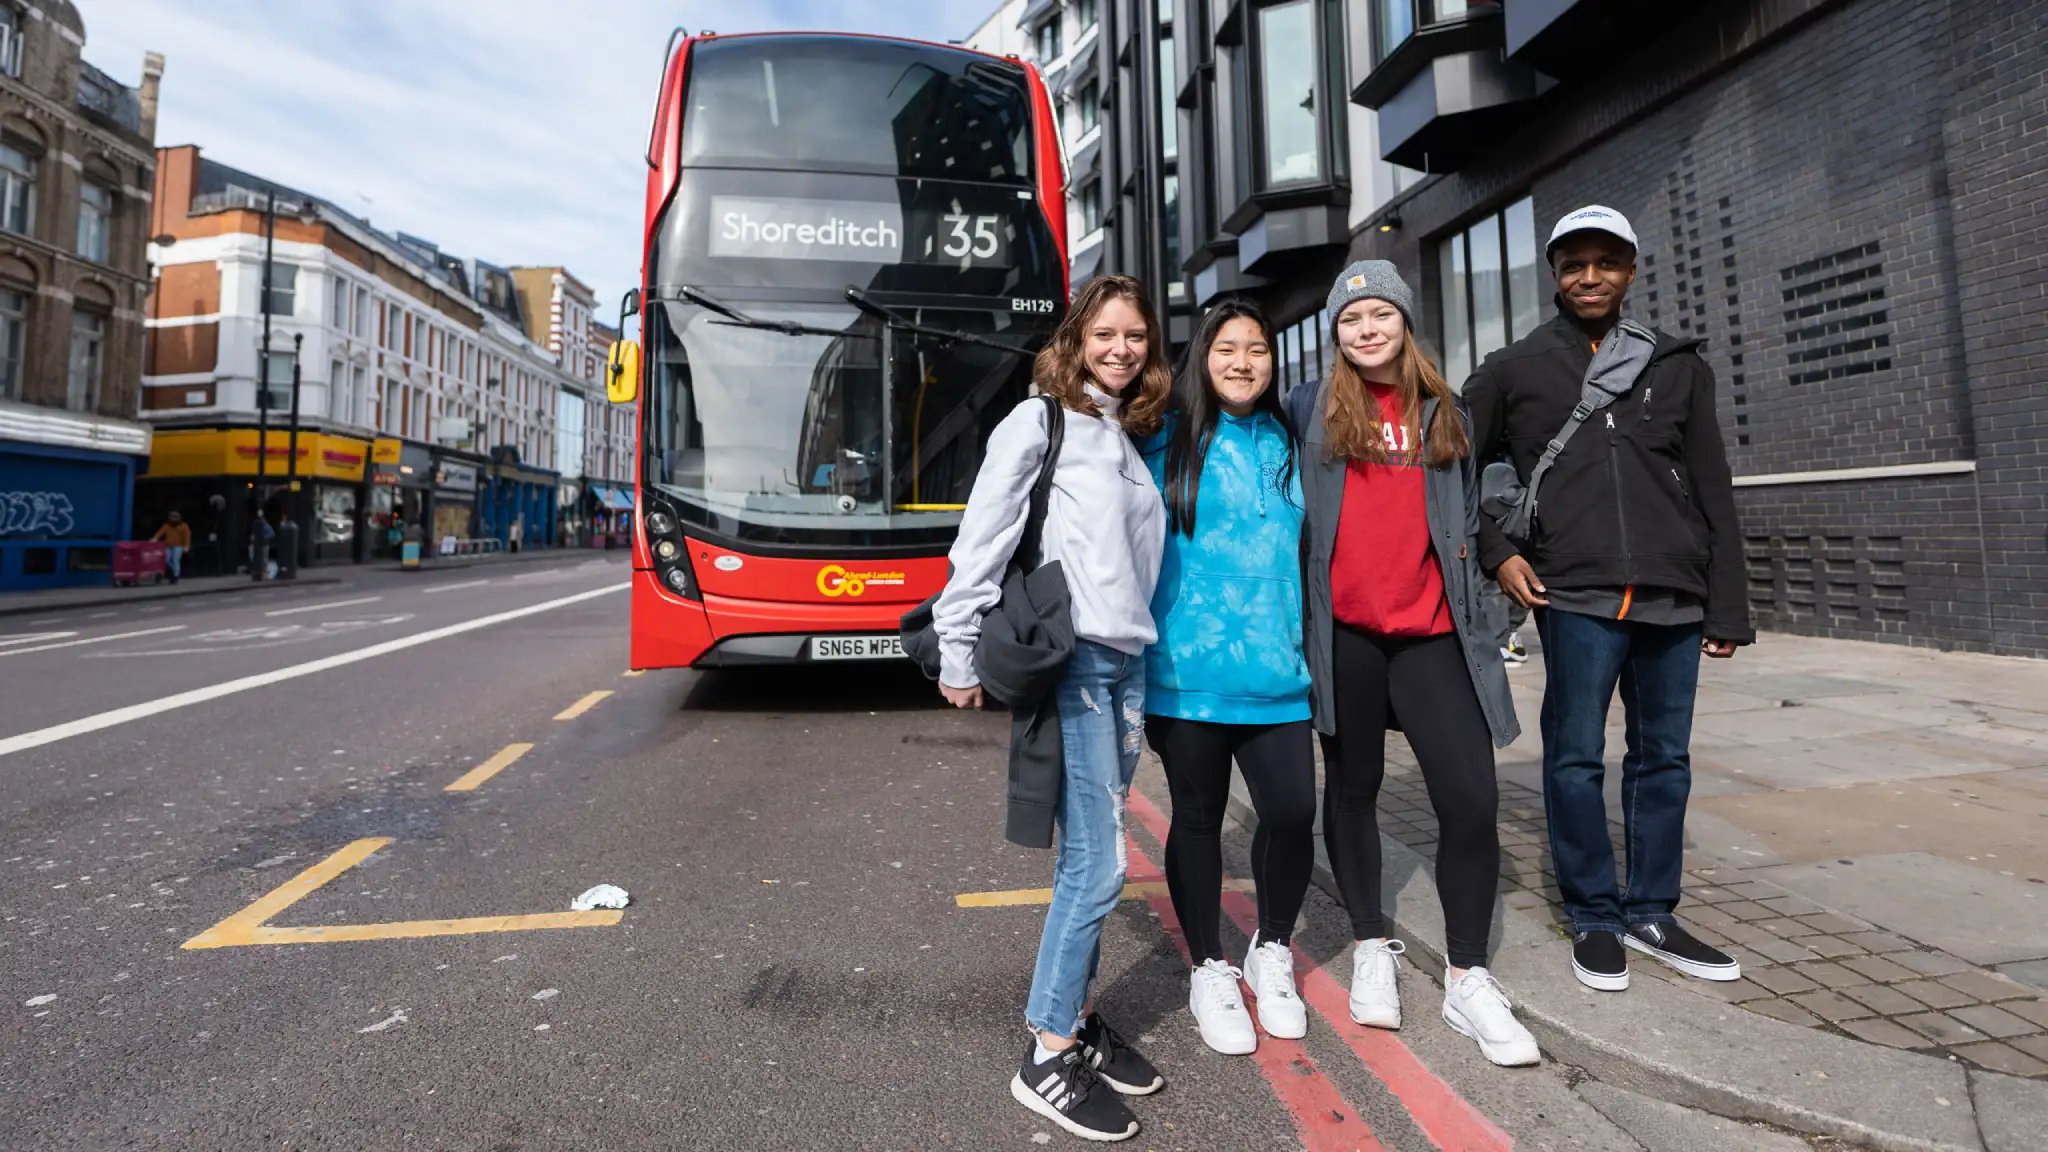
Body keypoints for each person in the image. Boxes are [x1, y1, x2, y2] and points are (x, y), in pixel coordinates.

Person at [1465, 205, 1755, 993]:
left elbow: (1711, 486)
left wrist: (1727, 605)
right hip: (1578, 593)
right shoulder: (1513, 369)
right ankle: (1594, 914)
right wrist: (1500, 554)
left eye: (1606, 263)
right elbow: (1453, 472)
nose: (1589, 277)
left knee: (1664, 761)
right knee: (1576, 758)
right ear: (1554, 273)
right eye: (1573, 264)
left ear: (1631, 270)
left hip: (1674, 593)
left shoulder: (1676, 363)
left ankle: (1653, 911)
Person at [931, 275, 1172, 1143]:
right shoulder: (1041, 419)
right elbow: (985, 531)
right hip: (1077, 664)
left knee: (1096, 858)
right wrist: (958, 647)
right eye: (1106, 334)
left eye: (1136, 335)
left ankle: (1077, 1020)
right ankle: (1046, 1051)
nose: (1122, 348)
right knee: (1100, 867)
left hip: (1126, 665)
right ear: (1076, 339)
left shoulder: (1123, 433)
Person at [1286, 261, 1539, 1068]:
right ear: (1335, 332)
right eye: (1350, 317)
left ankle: (1468, 978)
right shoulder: (1308, 408)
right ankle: (1369, 942)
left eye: (1380, 314)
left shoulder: (1447, 412)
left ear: (1404, 323)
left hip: (1434, 636)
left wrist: (1498, 568)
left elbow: (1473, 511)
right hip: (1348, 638)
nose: (1366, 328)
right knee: (1352, 791)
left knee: (1469, 799)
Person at [1139, 300, 1314, 1056]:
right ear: (1201, 358)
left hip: (1280, 676)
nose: (1243, 362)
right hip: (1187, 677)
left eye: (1258, 349)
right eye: (1227, 349)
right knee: (1199, 819)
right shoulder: (1161, 440)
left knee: (1292, 814)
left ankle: (1270, 947)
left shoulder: (1290, 439)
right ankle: (1208, 965)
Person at [151, 511, 191, 584]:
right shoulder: (167, 526)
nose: (173, 519)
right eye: (172, 517)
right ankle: (172, 572)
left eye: (175, 517)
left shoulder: (184, 526)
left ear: (179, 518)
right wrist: (155, 538)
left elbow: (187, 537)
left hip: (178, 546)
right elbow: (160, 532)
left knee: (175, 560)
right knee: (165, 560)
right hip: (168, 546)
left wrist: (186, 546)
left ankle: (176, 576)